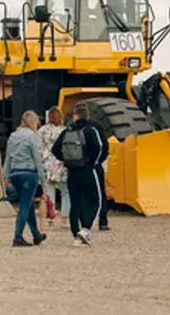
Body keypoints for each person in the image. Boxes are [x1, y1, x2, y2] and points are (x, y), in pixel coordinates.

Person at [52, 103, 105, 247]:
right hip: (87, 170)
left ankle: (76, 235)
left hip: (72, 171)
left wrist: (67, 160)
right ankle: (86, 228)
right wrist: (92, 163)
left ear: (75, 116)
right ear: (87, 116)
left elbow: (55, 149)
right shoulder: (90, 130)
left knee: (75, 203)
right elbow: (99, 148)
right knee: (95, 200)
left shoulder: (66, 131)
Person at [2, 111, 47, 247]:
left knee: (29, 203)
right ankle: (18, 237)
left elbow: (8, 157)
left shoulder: (13, 136)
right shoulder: (32, 137)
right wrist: (43, 178)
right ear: (33, 122)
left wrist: (6, 175)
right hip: (29, 173)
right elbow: (37, 159)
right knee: (24, 206)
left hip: (15, 174)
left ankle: (36, 235)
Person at [38, 106, 69, 227]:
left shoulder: (43, 130)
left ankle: (50, 219)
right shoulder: (65, 130)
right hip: (61, 164)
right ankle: (64, 219)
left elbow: (38, 147)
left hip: (46, 164)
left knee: (48, 193)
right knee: (65, 193)